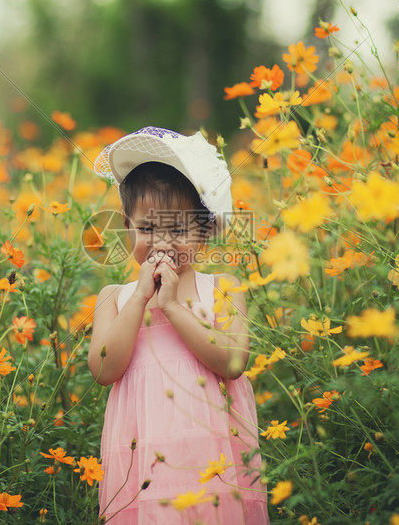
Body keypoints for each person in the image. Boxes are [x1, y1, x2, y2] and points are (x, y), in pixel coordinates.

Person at [89, 127, 269, 524]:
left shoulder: (222, 288)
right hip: (140, 464)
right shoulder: (113, 298)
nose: (162, 242)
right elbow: (103, 369)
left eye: (179, 228)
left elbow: (234, 362)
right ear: (126, 225)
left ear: (205, 232)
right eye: (148, 228)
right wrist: (139, 299)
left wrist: (171, 306)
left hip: (211, 459)